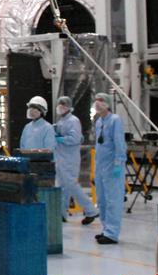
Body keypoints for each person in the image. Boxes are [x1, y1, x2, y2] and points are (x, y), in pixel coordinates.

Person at [53, 95, 99, 225]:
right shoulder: (62, 121)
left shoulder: (73, 121)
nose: (60, 107)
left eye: (63, 105)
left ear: (68, 107)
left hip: (69, 158)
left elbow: (74, 139)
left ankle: (91, 210)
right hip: (61, 157)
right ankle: (62, 213)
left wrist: (60, 138)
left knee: (71, 185)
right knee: (63, 187)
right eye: (59, 104)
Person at [92, 92, 126, 245]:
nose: (97, 103)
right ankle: (106, 228)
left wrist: (119, 163)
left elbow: (119, 142)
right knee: (102, 199)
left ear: (107, 103)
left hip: (113, 166)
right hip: (101, 166)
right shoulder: (99, 121)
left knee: (113, 200)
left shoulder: (115, 120)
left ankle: (112, 233)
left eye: (100, 100)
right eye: (96, 101)